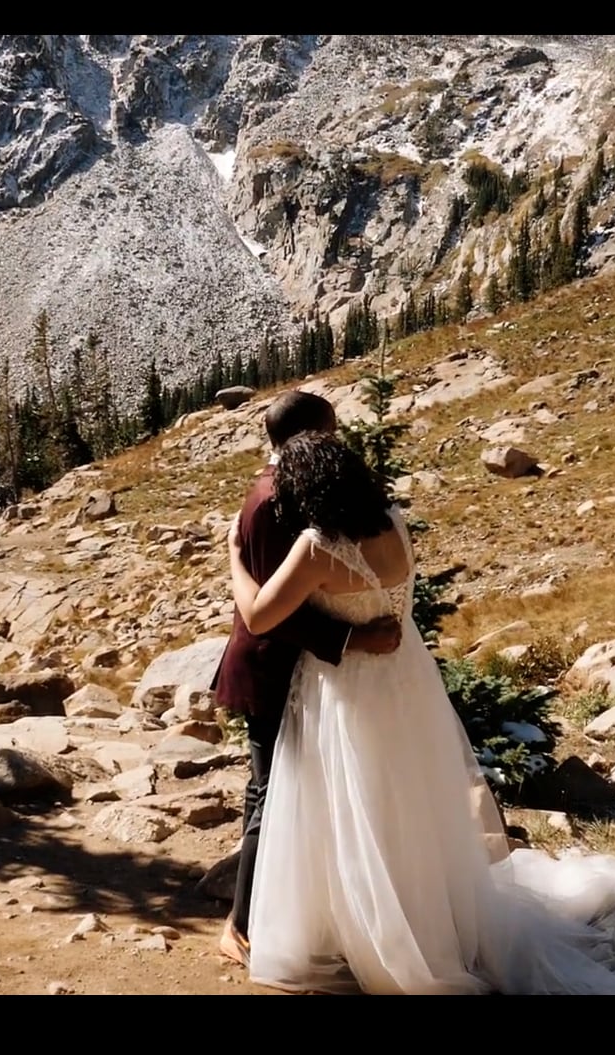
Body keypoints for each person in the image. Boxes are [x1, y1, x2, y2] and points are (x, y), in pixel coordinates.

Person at [227, 431, 615, 995]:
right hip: (405, 681)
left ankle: (369, 929)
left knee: (353, 807)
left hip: (346, 693)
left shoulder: (316, 546)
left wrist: (238, 559)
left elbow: (260, 616)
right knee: (407, 806)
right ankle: (428, 919)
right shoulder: (391, 519)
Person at [209, 391, 404, 967]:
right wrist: (352, 639)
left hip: (311, 670)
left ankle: (298, 910)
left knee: (298, 792)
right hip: (273, 667)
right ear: (313, 436)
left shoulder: (298, 491)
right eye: (332, 430)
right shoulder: (274, 499)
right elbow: (274, 612)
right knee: (268, 793)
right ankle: (242, 923)